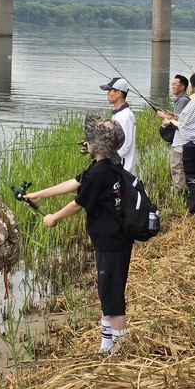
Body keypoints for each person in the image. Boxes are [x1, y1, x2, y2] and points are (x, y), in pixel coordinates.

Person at [31, 114, 132, 353]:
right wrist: (40, 194)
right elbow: (76, 182)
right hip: (113, 238)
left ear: (98, 145)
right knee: (106, 290)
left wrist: (53, 217)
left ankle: (120, 348)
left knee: (112, 294)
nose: (86, 142)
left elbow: (78, 203)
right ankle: (106, 345)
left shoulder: (100, 173)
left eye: (90, 139)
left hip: (111, 240)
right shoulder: (107, 165)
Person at [157, 72, 195, 215]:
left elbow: (183, 124)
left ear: (193, 86)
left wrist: (168, 121)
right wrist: (173, 117)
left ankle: (194, 210)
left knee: (192, 178)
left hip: (192, 144)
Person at [99, 77, 137, 173]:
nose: (107, 94)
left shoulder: (125, 116)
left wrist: (109, 160)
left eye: (109, 91)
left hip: (123, 168)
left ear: (118, 93)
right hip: (118, 166)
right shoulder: (119, 114)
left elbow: (125, 144)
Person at [163, 74, 190, 193]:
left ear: (182, 87)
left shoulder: (183, 100)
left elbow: (178, 121)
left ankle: (181, 193)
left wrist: (165, 117)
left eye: (175, 84)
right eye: (172, 84)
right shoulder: (182, 99)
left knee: (177, 166)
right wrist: (169, 115)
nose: (172, 86)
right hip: (183, 139)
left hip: (181, 140)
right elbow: (178, 117)